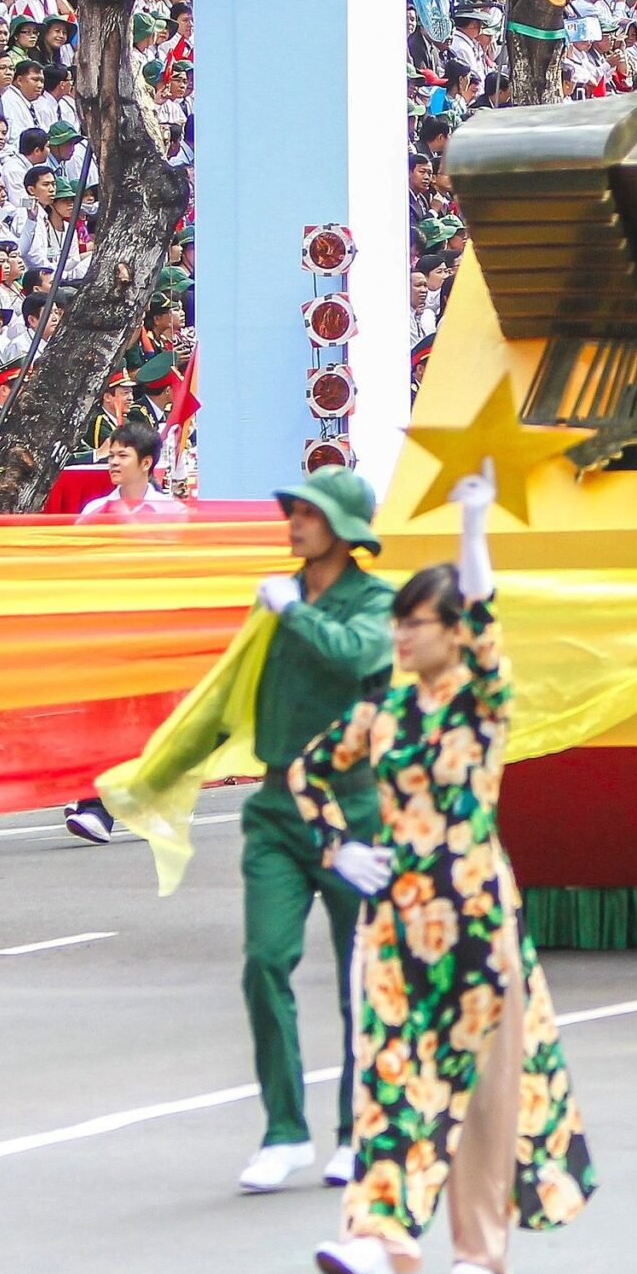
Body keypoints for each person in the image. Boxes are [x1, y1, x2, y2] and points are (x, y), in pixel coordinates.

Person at [298, 461, 592, 1274]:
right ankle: (379, 1239)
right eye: (398, 624)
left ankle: (480, 1243)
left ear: (453, 632)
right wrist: (336, 846)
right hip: (396, 913)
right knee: (391, 1069)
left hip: (475, 911)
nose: (402, 638)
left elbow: (489, 615)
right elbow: (309, 773)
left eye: (417, 624)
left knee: (485, 1084)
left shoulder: (480, 700)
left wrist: (472, 528)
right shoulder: (382, 709)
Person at [236, 465, 395, 1196]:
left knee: (360, 981)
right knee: (265, 961)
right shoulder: (279, 594)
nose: (295, 522)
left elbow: (361, 656)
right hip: (276, 809)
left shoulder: (376, 600)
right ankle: (283, 1131)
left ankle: (355, 1132)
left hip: (352, 808)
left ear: (344, 527)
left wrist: (294, 613)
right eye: (293, 509)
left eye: (310, 512)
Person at [59, 422, 187, 846]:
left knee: (156, 721)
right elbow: (76, 572)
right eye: (111, 454)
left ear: (146, 463)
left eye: (122, 455)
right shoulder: (94, 513)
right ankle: (94, 806)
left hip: (155, 634)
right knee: (101, 718)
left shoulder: (172, 514)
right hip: (108, 633)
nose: (113, 462)